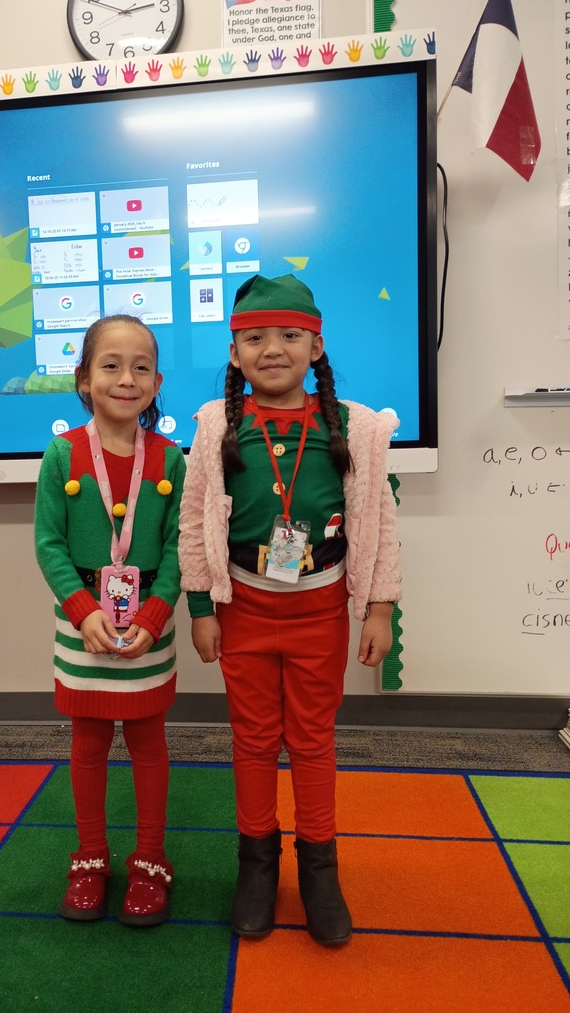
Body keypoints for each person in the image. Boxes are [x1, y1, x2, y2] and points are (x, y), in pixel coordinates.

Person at [178, 274, 401, 947]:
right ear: (236, 353)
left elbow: (379, 522)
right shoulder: (218, 424)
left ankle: (319, 867)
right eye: (254, 338)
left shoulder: (354, 427)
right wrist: (200, 606)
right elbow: (194, 520)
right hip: (242, 610)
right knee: (251, 739)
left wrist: (380, 608)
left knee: (310, 740)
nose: (272, 349)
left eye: (289, 335)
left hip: (320, 614)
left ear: (316, 345)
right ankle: (256, 864)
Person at [35, 314, 185, 927]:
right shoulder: (63, 452)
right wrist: (81, 608)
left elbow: (181, 547)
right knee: (89, 743)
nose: (127, 378)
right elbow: (49, 543)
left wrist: (155, 611)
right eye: (111, 365)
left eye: (141, 367)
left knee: (149, 745)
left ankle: (151, 859)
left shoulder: (172, 457)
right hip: (85, 624)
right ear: (83, 379)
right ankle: (90, 856)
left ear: (156, 381)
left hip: (149, 624)